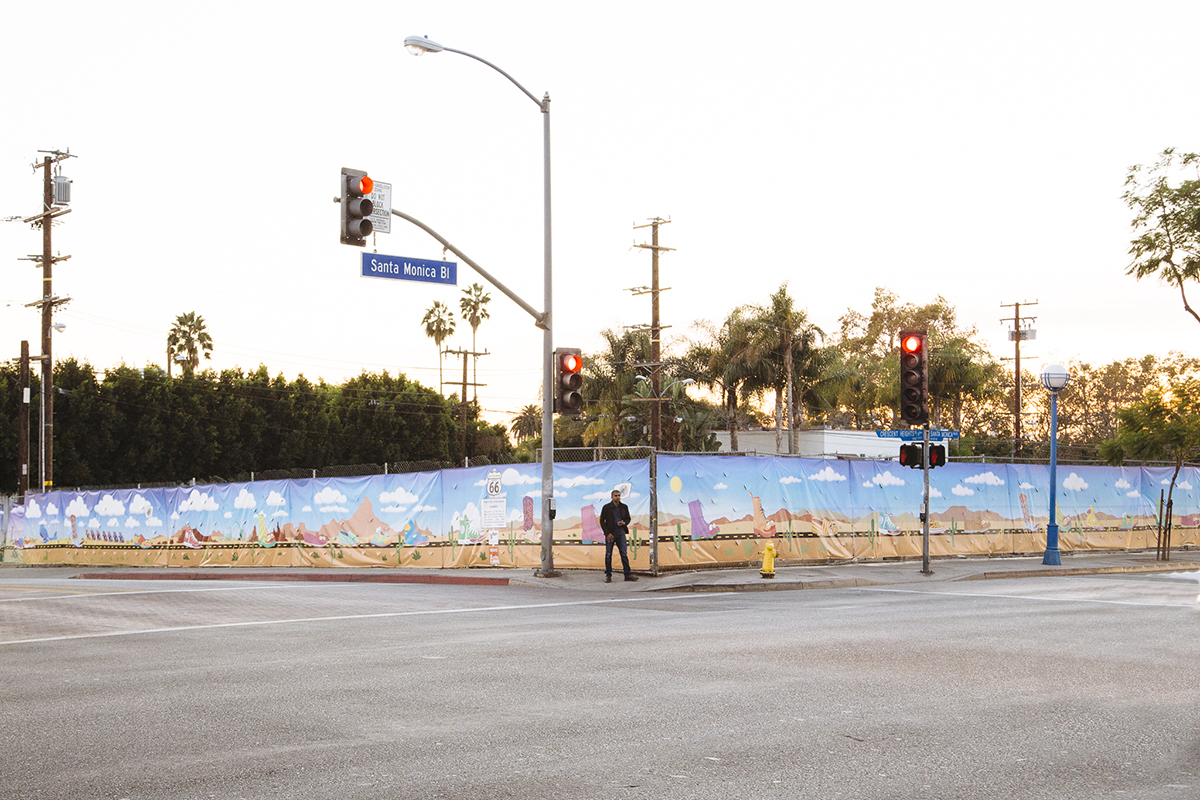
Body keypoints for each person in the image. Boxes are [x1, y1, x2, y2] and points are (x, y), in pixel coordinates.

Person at [599, 489, 637, 583]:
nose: (617, 497)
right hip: (611, 534)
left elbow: (628, 518)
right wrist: (607, 533)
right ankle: (608, 575)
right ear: (611, 497)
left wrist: (623, 523)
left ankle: (627, 575)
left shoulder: (624, 507)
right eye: (615, 495)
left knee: (624, 554)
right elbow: (602, 521)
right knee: (608, 555)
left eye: (619, 495)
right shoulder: (606, 507)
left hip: (621, 533)